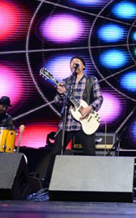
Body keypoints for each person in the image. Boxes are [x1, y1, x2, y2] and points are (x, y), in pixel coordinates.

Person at [44, 56, 103, 184]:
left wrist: (90, 108)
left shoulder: (91, 80)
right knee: (55, 153)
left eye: (77, 62)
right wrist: (60, 93)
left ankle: (93, 183)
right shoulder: (65, 82)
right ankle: (47, 184)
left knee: (90, 154)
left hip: (84, 123)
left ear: (83, 66)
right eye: (71, 62)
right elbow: (57, 102)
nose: (73, 64)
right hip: (68, 124)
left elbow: (99, 99)